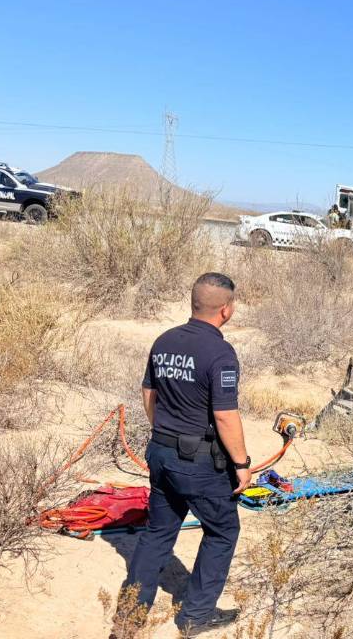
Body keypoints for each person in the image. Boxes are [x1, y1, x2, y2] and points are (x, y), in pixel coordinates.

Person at [120, 273, 251, 637]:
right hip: (198, 462)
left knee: (158, 533)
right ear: (225, 309)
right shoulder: (220, 352)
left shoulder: (164, 340)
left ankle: (129, 618)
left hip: (161, 451)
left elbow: (149, 394)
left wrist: (164, 434)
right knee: (223, 530)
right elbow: (225, 416)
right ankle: (195, 615)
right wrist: (241, 464)